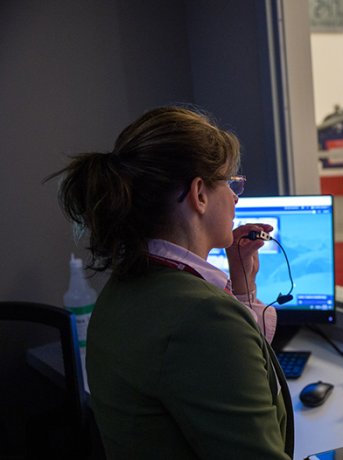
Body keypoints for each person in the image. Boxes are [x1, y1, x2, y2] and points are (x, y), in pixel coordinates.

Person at [48, 106, 293, 459]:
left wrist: (242, 288)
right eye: (229, 182)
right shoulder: (204, 317)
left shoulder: (125, 287)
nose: (236, 197)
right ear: (200, 194)